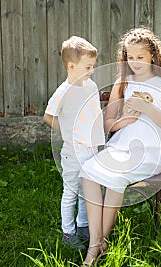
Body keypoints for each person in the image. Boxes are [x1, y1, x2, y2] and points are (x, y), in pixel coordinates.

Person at [79, 28, 161, 266]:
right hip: (122, 143)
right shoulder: (123, 82)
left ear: (152, 57)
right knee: (88, 172)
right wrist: (127, 119)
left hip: (153, 149)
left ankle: (96, 246)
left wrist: (149, 110)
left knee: (117, 177)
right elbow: (109, 123)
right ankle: (97, 242)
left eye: (140, 57)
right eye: (130, 57)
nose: (134, 62)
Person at [43, 36, 105, 249]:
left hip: (91, 147)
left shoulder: (91, 86)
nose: (92, 70)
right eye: (88, 66)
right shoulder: (63, 92)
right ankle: (68, 233)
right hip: (73, 150)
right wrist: (68, 131)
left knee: (86, 189)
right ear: (71, 66)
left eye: (92, 66)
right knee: (70, 190)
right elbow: (48, 116)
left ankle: (83, 226)